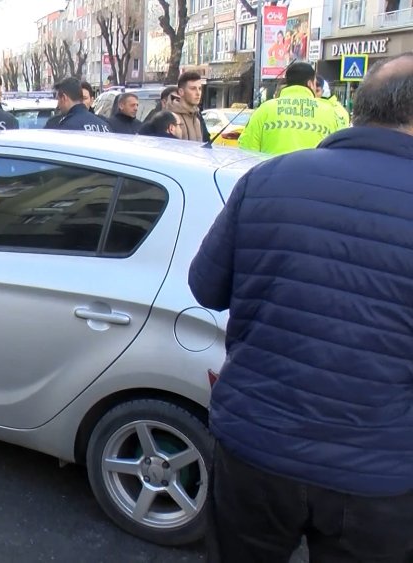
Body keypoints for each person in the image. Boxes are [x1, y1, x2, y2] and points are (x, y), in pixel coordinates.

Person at [189, 53, 413, 563]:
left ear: (359, 108)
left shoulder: (269, 179)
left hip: (256, 448)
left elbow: (206, 287)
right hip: (376, 474)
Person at [238, 62, 341, 155]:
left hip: (273, 174)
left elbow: (247, 148)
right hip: (314, 174)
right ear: (310, 83)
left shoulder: (265, 109)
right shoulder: (328, 112)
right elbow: (336, 151)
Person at [44, 77, 111, 132]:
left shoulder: (64, 127)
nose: (58, 104)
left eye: (58, 99)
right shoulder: (104, 125)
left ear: (64, 97)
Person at [167, 72, 209, 142]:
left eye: (200, 88)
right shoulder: (171, 117)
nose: (198, 93)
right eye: (193, 89)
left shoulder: (197, 117)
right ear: (181, 92)